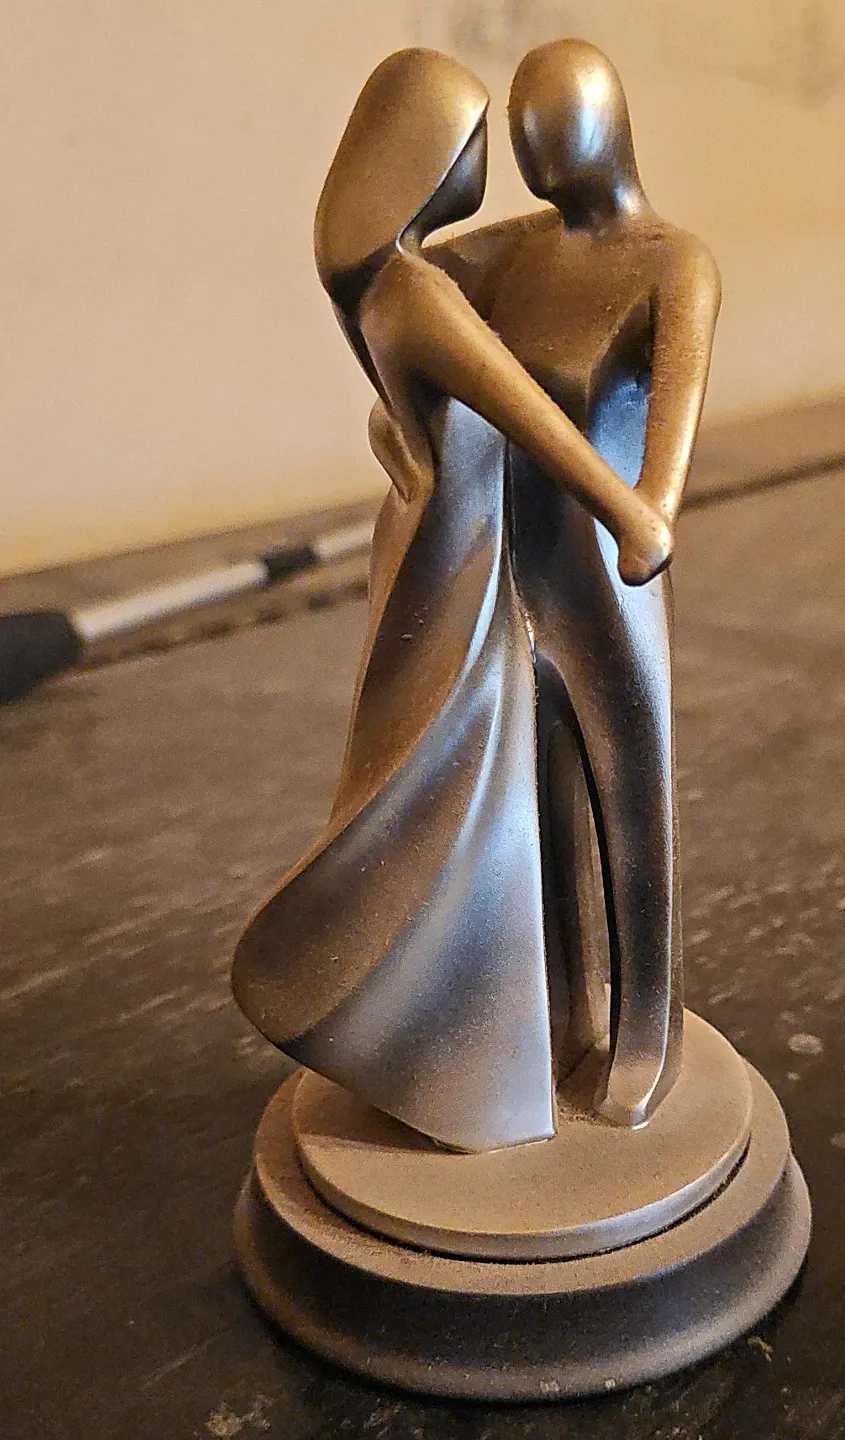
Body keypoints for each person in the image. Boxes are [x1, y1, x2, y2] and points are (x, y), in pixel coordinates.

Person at [231, 48, 669, 1154]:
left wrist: (423, 458)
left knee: (455, 788)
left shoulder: (383, 289)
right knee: (462, 793)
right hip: (476, 570)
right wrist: (631, 511)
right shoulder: (427, 293)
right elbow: (533, 421)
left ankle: (532, 1032)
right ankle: (457, 1050)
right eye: (486, 139)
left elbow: (408, 425)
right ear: (430, 163)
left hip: (439, 558)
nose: (508, 162)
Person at [412, 39, 722, 1128]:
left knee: (630, 799)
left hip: (608, 578)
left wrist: (654, 513)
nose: (537, 162)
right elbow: (399, 276)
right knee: (532, 804)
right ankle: (554, 1014)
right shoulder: (517, 253)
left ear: (606, 126)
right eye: (523, 141)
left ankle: (648, 1029)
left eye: (554, 135)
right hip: (512, 563)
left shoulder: (672, 265)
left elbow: (670, 441)